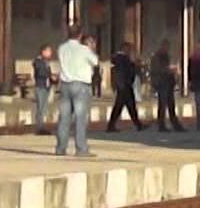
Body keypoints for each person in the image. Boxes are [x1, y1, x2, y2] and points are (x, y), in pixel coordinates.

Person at [56, 24, 98, 156]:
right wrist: (92, 49)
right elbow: (95, 62)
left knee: (64, 118)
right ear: (80, 35)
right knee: (80, 118)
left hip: (65, 84)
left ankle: (60, 148)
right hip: (81, 85)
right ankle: (81, 148)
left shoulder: (61, 48)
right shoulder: (84, 49)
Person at [106, 42, 145, 132]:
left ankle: (137, 124)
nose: (130, 51)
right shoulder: (122, 59)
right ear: (124, 49)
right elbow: (124, 72)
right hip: (124, 85)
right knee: (123, 106)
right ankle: (112, 126)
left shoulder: (121, 59)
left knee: (127, 106)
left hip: (124, 85)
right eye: (129, 49)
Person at [150, 39, 184, 132]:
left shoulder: (166, 56)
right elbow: (156, 70)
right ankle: (162, 125)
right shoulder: (157, 56)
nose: (167, 49)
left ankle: (175, 125)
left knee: (170, 105)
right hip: (162, 83)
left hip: (168, 83)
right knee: (163, 105)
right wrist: (168, 69)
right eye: (165, 47)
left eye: (168, 47)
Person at [32, 45, 56, 135]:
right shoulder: (38, 61)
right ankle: (39, 127)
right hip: (40, 86)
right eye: (49, 51)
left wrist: (53, 79)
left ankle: (42, 126)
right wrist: (50, 76)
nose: (50, 53)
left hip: (46, 86)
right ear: (43, 51)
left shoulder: (46, 62)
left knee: (44, 108)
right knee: (41, 108)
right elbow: (40, 72)